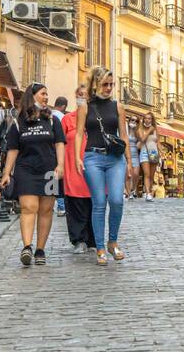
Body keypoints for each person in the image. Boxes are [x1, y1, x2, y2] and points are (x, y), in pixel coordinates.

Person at [2, 83, 64, 267]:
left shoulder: (53, 120)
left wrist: (61, 165)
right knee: (29, 207)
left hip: (49, 171)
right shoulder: (18, 121)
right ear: (33, 95)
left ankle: (40, 249)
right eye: (43, 94)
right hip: (26, 170)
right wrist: (6, 173)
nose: (46, 97)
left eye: (47, 94)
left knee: (46, 210)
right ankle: (27, 247)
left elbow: (60, 143)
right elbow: (13, 149)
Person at [76, 66, 131, 265]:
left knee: (116, 200)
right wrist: (77, 157)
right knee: (99, 202)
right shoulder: (85, 106)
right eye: (105, 84)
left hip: (116, 159)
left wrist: (130, 161)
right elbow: (79, 133)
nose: (109, 88)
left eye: (111, 84)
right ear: (95, 84)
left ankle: (112, 241)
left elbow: (123, 135)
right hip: (93, 158)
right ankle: (99, 247)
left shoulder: (118, 106)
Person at [60, 85, 96, 253]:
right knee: (75, 203)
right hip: (73, 166)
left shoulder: (95, 119)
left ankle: (93, 239)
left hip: (93, 165)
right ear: (75, 96)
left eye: (86, 95)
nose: (82, 97)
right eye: (80, 95)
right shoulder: (67, 119)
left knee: (94, 202)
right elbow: (59, 144)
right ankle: (79, 239)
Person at [130, 110, 160, 200]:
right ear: (143, 120)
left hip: (154, 153)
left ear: (152, 120)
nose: (147, 120)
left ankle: (149, 191)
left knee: (151, 175)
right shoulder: (139, 129)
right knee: (146, 174)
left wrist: (161, 153)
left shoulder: (155, 129)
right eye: (146, 118)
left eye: (149, 119)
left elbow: (158, 142)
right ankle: (147, 194)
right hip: (144, 152)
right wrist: (149, 130)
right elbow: (142, 139)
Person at [52, 97, 69, 217]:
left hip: (48, 151)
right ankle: (62, 206)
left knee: (52, 179)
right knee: (60, 180)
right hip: (59, 151)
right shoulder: (63, 118)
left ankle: (50, 205)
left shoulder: (48, 115)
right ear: (63, 107)